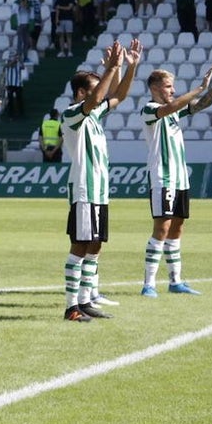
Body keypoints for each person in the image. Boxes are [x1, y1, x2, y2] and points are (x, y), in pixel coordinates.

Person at [141, 59, 212, 297]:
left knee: (177, 228)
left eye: (173, 86)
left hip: (180, 178)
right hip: (162, 177)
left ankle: (175, 281)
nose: (172, 90)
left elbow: (202, 104)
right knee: (161, 228)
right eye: (168, 86)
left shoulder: (174, 110)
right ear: (154, 88)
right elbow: (174, 106)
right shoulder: (150, 109)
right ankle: (149, 284)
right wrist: (199, 87)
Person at [60, 40, 139, 323]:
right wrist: (112, 68)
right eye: (95, 88)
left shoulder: (93, 115)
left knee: (95, 245)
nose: (100, 94)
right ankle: (71, 307)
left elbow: (119, 95)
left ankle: (85, 300)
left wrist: (130, 67)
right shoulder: (71, 114)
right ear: (81, 92)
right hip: (83, 188)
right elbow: (98, 99)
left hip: (99, 191)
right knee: (80, 245)